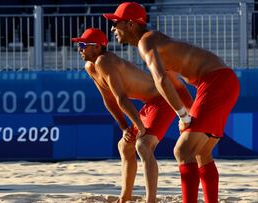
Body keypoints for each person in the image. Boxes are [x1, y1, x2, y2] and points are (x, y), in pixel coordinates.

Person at [104, 2, 240, 203]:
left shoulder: (146, 42)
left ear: (131, 24)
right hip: (223, 81)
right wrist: (188, 112)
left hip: (216, 82)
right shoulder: (156, 41)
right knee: (201, 152)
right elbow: (177, 86)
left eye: (116, 22)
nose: (113, 28)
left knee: (182, 150)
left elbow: (161, 80)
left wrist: (184, 116)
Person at [71, 28, 193, 203]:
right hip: (151, 103)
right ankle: (125, 197)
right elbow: (109, 100)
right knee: (124, 145)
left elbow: (121, 98)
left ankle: (151, 200)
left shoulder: (104, 61)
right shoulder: (90, 66)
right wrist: (124, 127)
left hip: (163, 99)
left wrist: (139, 126)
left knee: (143, 146)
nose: (79, 48)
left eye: (83, 45)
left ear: (97, 47)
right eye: (79, 45)